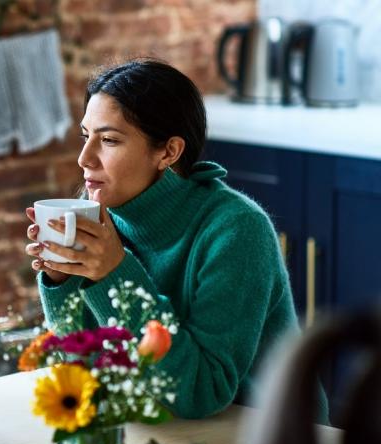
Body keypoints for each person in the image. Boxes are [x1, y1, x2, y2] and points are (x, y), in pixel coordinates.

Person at [25, 59, 327, 420]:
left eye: (108, 140)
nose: (84, 158)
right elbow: (81, 373)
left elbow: (201, 392)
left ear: (168, 152)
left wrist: (114, 273)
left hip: (268, 433)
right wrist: (60, 281)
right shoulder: (101, 220)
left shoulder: (237, 231)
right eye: (85, 136)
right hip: (165, 429)